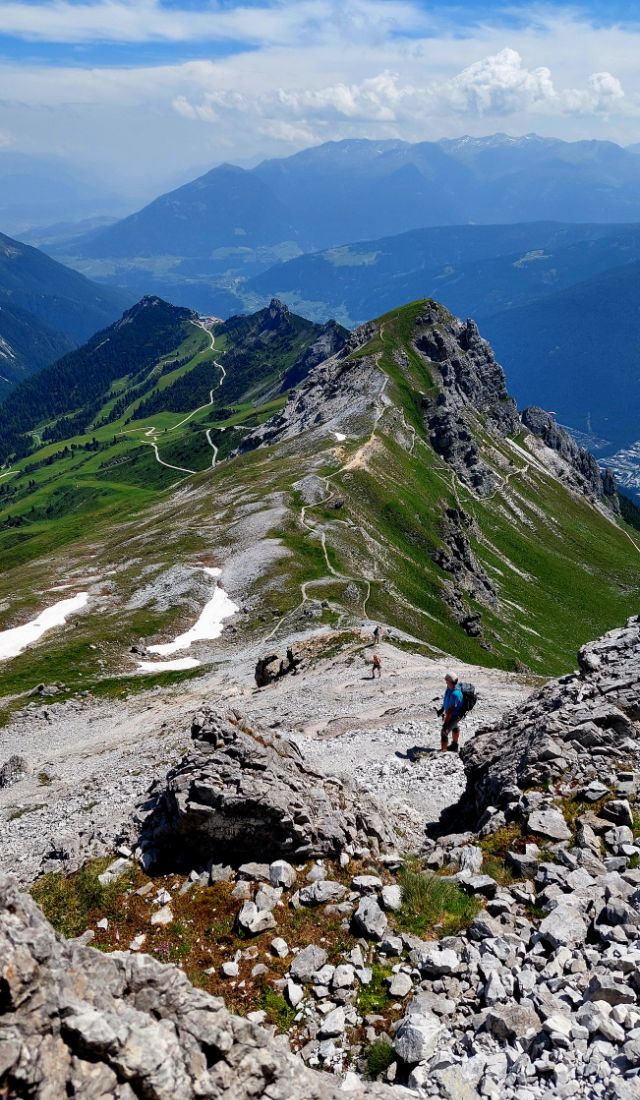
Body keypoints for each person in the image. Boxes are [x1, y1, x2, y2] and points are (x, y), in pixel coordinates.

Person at [438, 673, 463, 752]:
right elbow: (446, 700)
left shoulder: (455, 694)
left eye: (446, 680)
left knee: (444, 732)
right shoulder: (450, 688)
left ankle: (443, 752)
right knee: (455, 727)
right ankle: (454, 746)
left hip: (455, 715)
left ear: (449, 681)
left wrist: (445, 723)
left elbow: (450, 711)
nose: (445, 681)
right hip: (455, 714)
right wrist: (442, 709)